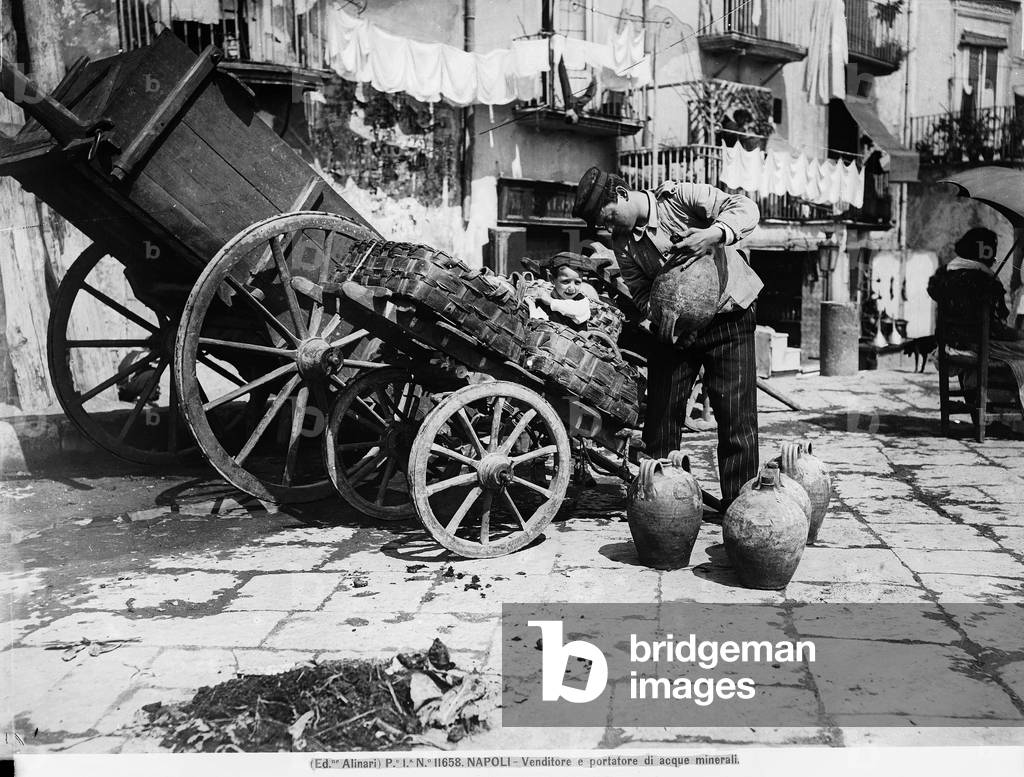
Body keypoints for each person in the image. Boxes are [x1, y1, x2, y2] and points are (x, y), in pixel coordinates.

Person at [572, 167, 763, 511]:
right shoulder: (623, 244)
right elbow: (641, 292)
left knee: (736, 417)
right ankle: (663, 505)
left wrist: (713, 234)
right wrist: (664, 319)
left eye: (609, 218)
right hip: (680, 333)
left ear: (621, 195)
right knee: (660, 415)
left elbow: (746, 208)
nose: (609, 229)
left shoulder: (681, 198)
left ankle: (741, 509)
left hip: (729, 314)